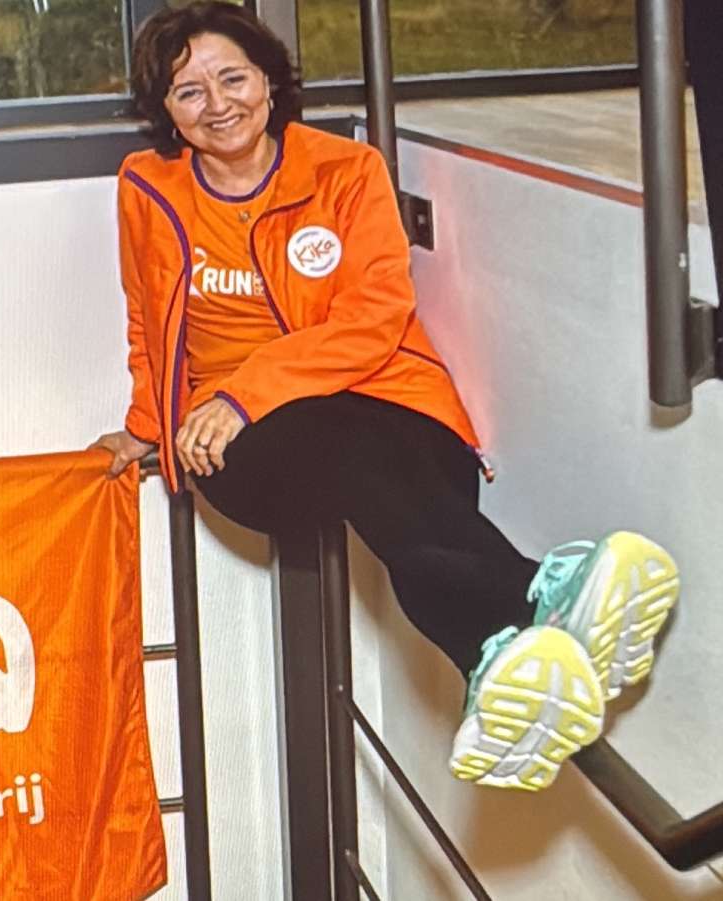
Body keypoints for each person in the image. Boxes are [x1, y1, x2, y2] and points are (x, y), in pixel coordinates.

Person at [89, 2, 680, 792]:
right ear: (165, 111)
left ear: (269, 80)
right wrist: (151, 424)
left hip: (388, 405)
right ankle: (544, 589)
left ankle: (505, 659)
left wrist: (247, 390)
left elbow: (375, 319)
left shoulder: (345, 170)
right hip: (243, 449)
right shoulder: (148, 187)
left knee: (408, 527)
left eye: (233, 78)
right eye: (188, 91)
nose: (218, 103)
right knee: (344, 453)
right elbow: (146, 315)